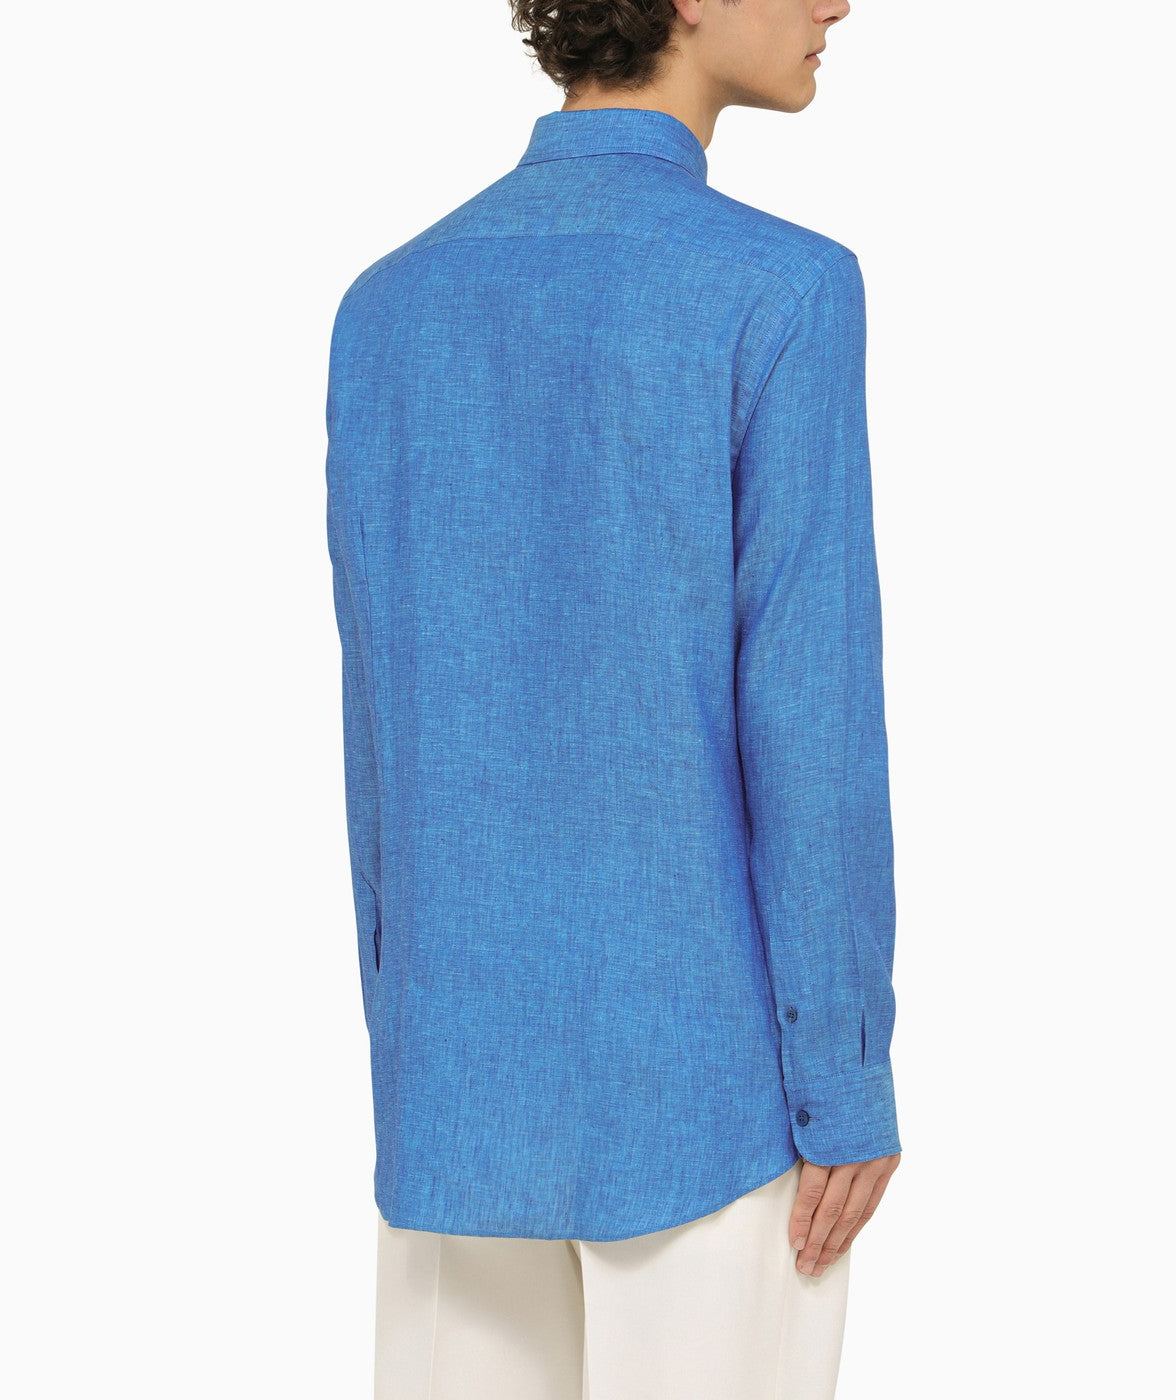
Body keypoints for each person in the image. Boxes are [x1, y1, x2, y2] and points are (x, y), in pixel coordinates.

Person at [324, 2, 903, 1396]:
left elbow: (381, 736)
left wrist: (411, 1053)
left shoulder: (387, 304)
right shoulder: (784, 291)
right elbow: (810, 723)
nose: (839, 3)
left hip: (455, 1092)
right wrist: (846, 1081)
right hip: (713, 1102)